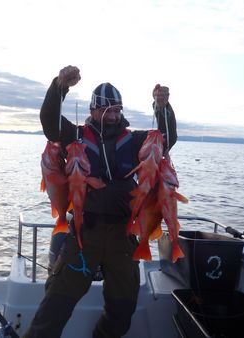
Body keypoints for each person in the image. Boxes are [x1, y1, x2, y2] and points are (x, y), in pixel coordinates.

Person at [25, 65, 177, 338]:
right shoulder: (77, 135)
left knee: (123, 308)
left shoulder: (134, 140)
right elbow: (49, 123)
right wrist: (59, 87)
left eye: (117, 110)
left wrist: (162, 108)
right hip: (85, 233)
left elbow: (166, 139)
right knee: (55, 303)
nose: (113, 115)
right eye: (107, 110)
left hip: (124, 235)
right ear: (93, 110)